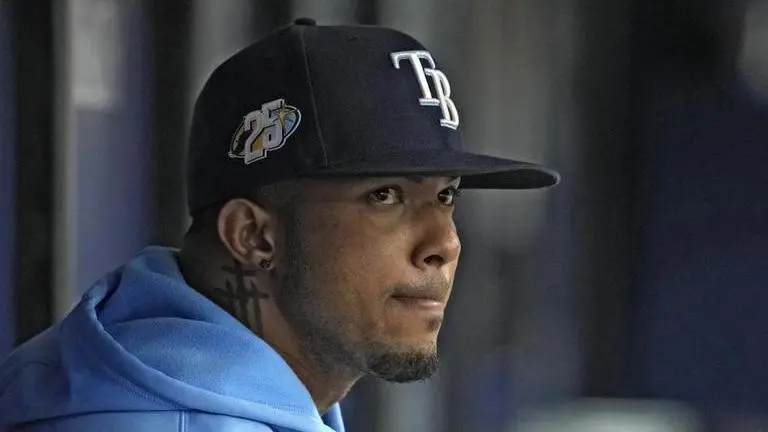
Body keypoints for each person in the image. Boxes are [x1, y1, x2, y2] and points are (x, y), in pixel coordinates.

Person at [0, 18, 559, 431]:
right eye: (385, 196)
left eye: (446, 196)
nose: (445, 243)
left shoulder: (95, 373)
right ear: (253, 236)